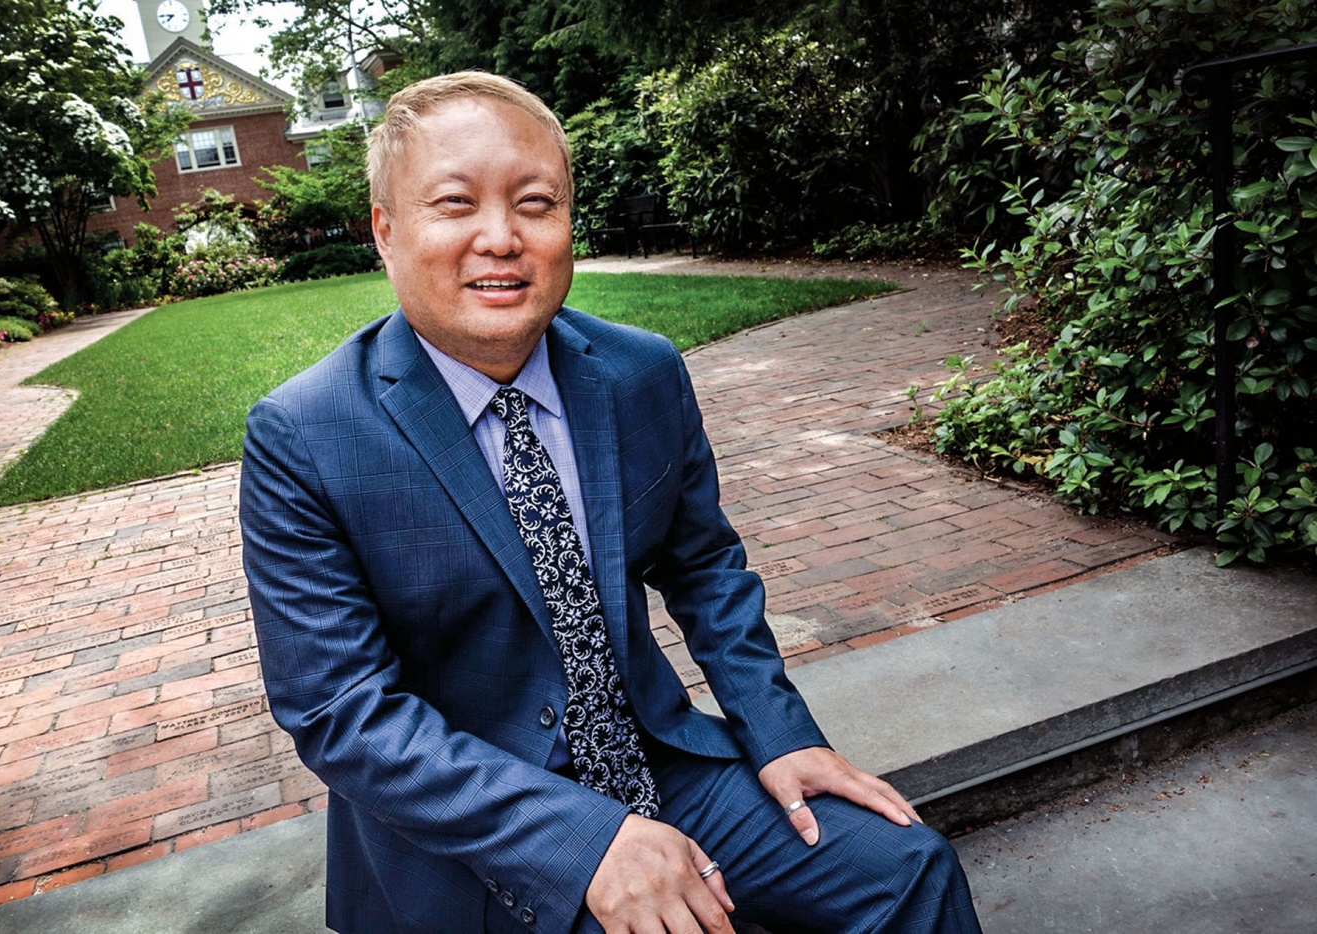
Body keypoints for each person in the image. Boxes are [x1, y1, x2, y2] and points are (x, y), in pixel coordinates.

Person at [239, 70, 982, 934]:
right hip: (469, 835)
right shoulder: (306, 433)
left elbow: (704, 567)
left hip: (659, 764)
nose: (501, 238)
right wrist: (584, 839)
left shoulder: (640, 372)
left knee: (906, 871)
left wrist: (782, 732)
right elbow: (342, 713)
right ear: (386, 230)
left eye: (535, 202)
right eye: (454, 203)